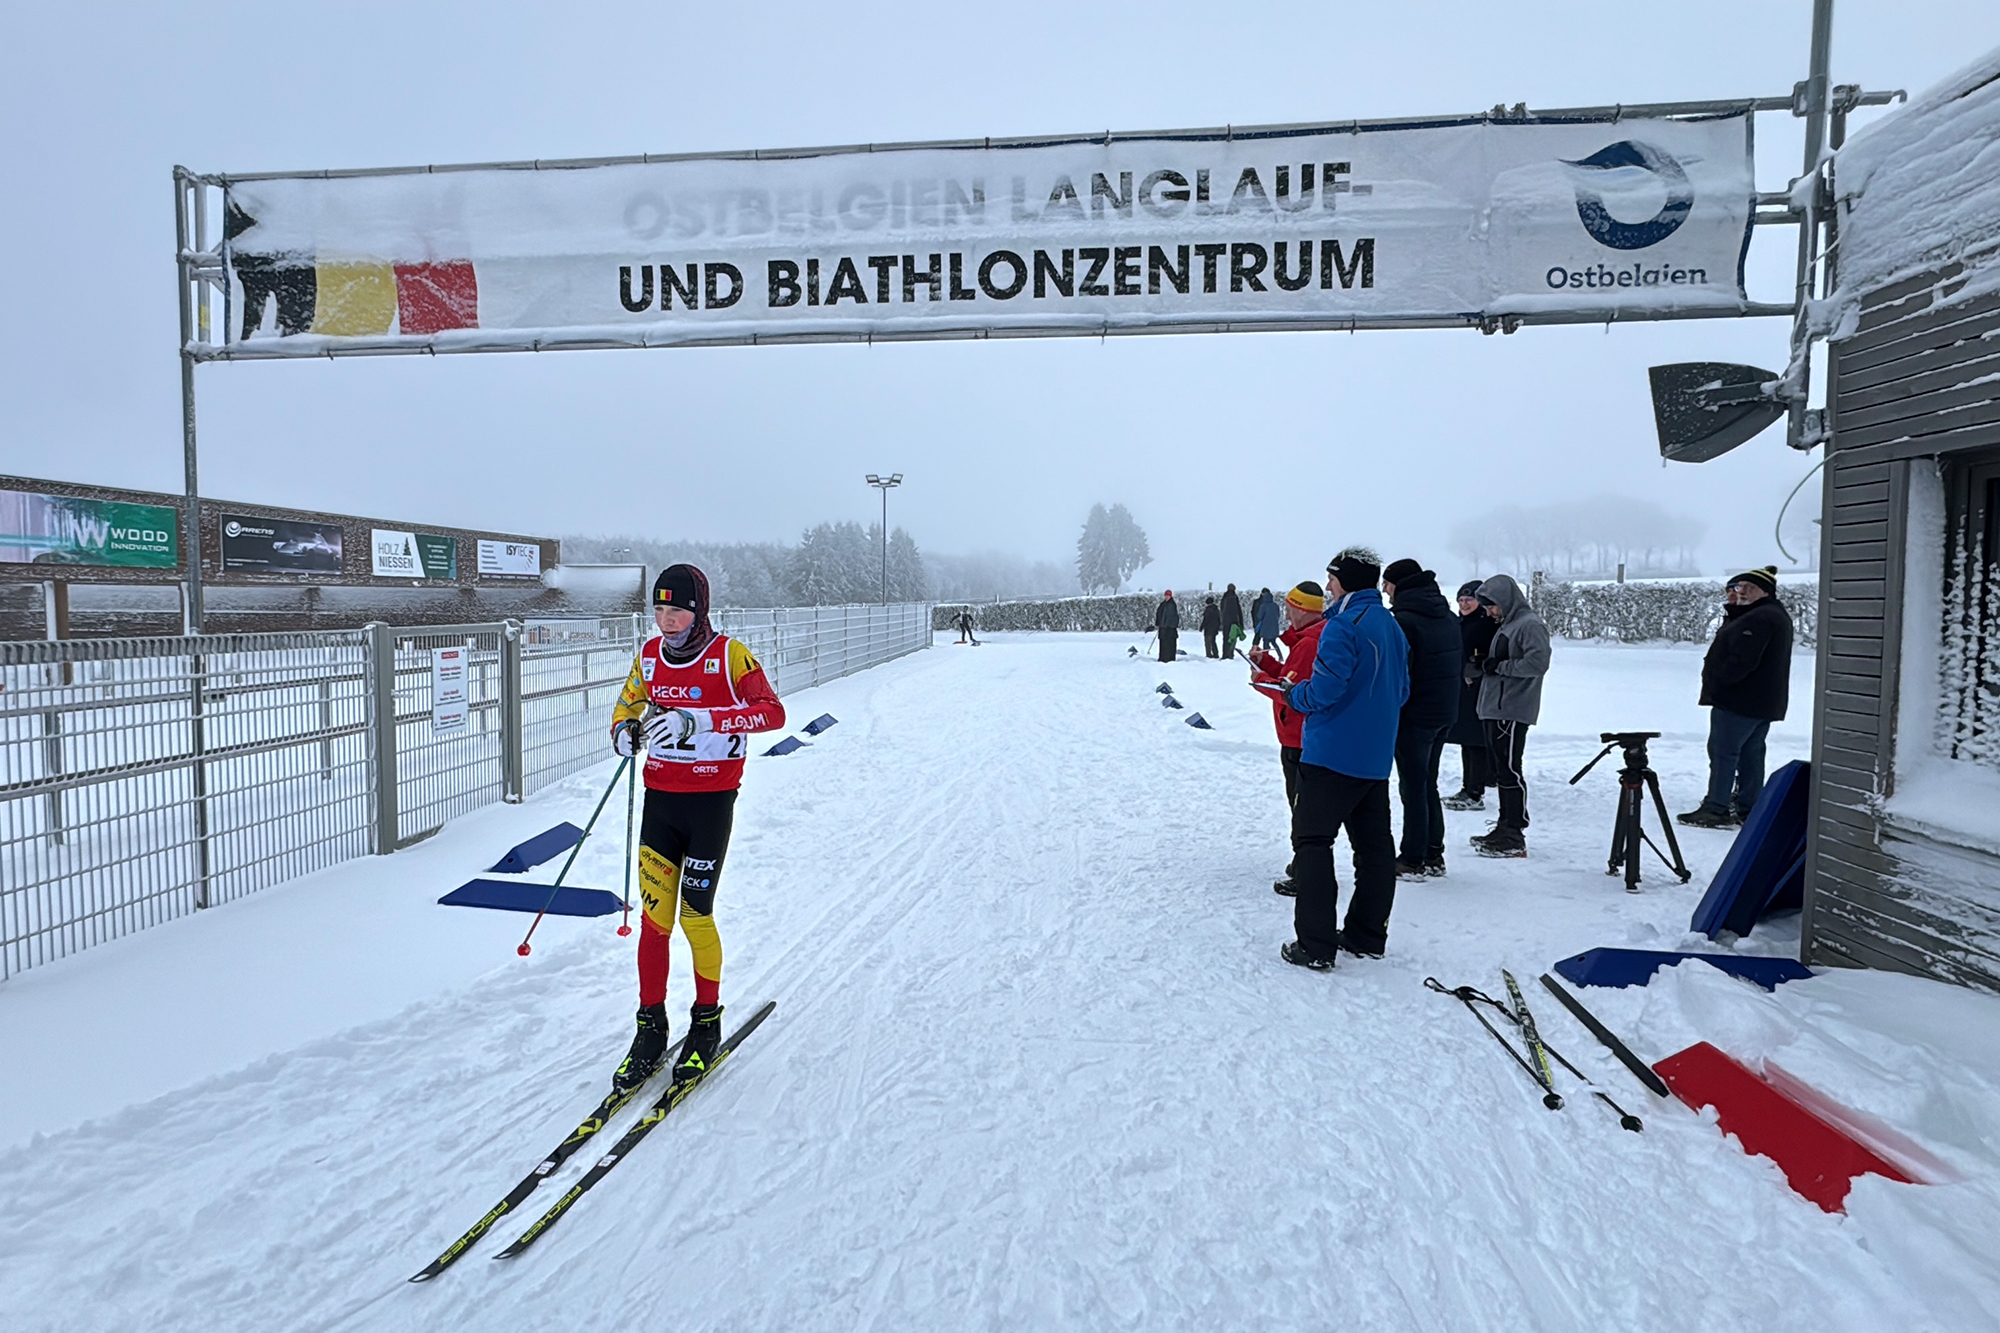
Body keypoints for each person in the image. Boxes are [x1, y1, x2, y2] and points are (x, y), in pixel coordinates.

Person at [608, 564, 787, 1092]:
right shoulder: (648, 656)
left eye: (678, 609)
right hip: (661, 800)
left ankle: (706, 1023)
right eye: (659, 610)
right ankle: (650, 1028)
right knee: (654, 921)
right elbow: (629, 702)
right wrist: (622, 730)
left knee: (695, 915)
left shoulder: (730, 655)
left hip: (710, 802)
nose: (667, 620)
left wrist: (701, 719)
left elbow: (770, 713)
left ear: (699, 609)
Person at [1279, 548, 1410, 969]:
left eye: (1332, 578)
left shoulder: (1341, 626)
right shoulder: (1391, 625)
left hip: (1331, 755)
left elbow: (1323, 691)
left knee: (1313, 843)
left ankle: (1315, 946)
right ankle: (1366, 936)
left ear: (1346, 580)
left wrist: (1293, 693)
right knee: (1374, 851)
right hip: (1374, 760)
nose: (1329, 586)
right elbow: (1402, 691)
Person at [1681, 567, 1794, 828]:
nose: (1740, 592)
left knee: (1724, 752)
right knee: (1750, 754)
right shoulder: (1768, 614)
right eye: (1738, 587)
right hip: (1761, 702)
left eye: (1747, 587)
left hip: (1740, 701)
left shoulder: (1761, 617)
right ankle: (1749, 807)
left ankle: (1716, 808)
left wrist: (1720, 681)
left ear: (1765, 591)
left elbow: (1743, 660)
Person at [1382, 559, 1460, 880]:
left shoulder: (1403, 621)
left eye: (1387, 584)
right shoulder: (1448, 617)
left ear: (1399, 585)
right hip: (1443, 712)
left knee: (1413, 786)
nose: (1385, 591)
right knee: (1427, 782)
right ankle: (1434, 853)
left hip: (1414, 715)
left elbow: (1401, 674)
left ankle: (1413, 858)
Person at [1248, 581, 1327, 896]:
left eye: (1291, 607)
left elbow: (1290, 692)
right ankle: (1304, 865)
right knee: (1303, 805)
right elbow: (1291, 678)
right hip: (1300, 736)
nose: (1287, 613)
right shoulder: (1310, 640)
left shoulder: (1309, 643)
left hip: (1298, 738)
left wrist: (1260, 679)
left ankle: (1305, 870)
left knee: (1301, 807)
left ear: (1301, 609)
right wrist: (1267, 664)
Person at [1469, 573, 1551, 859]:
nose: (1489, 611)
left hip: (1512, 709)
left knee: (1509, 769)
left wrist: (1500, 666)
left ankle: (1513, 831)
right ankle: (1506, 825)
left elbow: (1537, 663)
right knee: (1501, 769)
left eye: (1492, 605)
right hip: (1496, 707)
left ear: (1506, 600)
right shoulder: (1510, 624)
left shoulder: (1529, 625)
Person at [1443, 580, 1497, 810]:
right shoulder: (1462, 622)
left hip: (1478, 688)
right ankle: (1474, 784)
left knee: (1475, 739)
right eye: (1461, 600)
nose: (1464, 604)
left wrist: (1472, 669)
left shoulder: (1486, 625)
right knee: (1469, 739)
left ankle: (1474, 790)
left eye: (1469, 600)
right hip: (1464, 689)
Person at [1220, 583, 1245, 660]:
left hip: (1225, 621)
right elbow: (1237, 610)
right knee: (1232, 638)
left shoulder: (1224, 597)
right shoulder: (1234, 597)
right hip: (1233, 622)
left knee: (1225, 638)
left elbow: (1222, 609)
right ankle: (1230, 654)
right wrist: (1240, 622)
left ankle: (1225, 654)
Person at [1252, 587, 1281, 652]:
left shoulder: (1259, 603)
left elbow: (1256, 614)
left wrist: (1255, 622)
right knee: (1272, 642)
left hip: (1261, 625)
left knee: (1259, 641)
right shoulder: (1275, 605)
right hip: (1272, 626)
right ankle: (1280, 655)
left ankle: (1255, 652)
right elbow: (1278, 615)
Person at [1154, 590, 1179, 663]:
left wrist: (1165, 625)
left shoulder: (1172, 605)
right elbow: (1159, 614)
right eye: (1165, 595)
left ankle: (1169, 658)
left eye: (1168, 595)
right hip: (1163, 628)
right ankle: (1163, 657)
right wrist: (1158, 623)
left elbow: (1171, 617)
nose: (1166, 597)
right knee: (1163, 643)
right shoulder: (1163, 604)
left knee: (1169, 643)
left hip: (1169, 629)